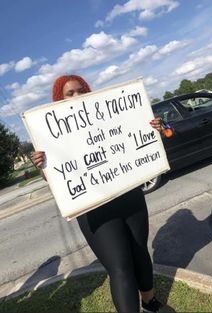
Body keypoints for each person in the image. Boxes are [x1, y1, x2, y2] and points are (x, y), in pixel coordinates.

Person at [32, 74, 163, 313]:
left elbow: (135, 136)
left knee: (140, 252)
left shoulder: (109, 116)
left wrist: (151, 127)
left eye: (81, 90)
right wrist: (42, 166)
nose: (77, 96)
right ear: (58, 99)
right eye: (69, 93)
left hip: (129, 196)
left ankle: (150, 302)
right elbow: (56, 177)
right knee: (120, 267)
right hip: (93, 210)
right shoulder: (50, 135)